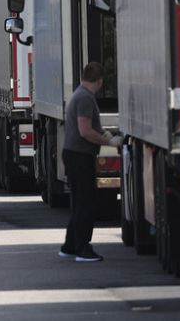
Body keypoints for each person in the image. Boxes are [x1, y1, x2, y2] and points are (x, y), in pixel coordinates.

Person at [59, 62, 123, 262]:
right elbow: (85, 131)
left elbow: (88, 127)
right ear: (100, 81)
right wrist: (109, 141)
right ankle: (83, 248)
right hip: (80, 156)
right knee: (86, 203)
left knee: (79, 203)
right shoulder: (86, 98)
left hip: (74, 154)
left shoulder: (79, 94)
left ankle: (70, 246)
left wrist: (102, 132)